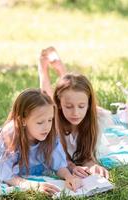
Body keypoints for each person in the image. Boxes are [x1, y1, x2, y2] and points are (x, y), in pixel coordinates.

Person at [0, 88, 82, 195]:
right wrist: (33, 185)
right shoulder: (9, 137)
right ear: (22, 121)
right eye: (40, 122)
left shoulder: (50, 133)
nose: (47, 127)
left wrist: (69, 176)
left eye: (50, 120)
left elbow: (59, 165)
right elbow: (5, 175)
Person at [38, 47, 109, 179]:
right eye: (68, 107)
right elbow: (59, 158)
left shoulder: (96, 119)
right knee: (47, 98)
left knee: (72, 90)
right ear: (59, 105)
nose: (75, 113)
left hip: (87, 107)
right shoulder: (52, 119)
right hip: (57, 105)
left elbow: (87, 157)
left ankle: (59, 66)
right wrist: (72, 167)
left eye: (81, 106)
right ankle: (43, 66)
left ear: (88, 104)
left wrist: (93, 166)